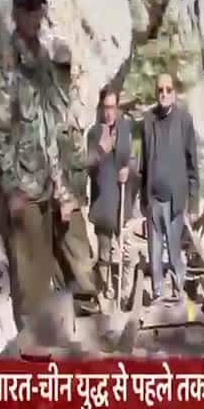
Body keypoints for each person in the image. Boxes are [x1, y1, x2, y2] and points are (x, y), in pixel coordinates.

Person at [0, 0, 80, 331]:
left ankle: (43, 343)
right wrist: (10, 188)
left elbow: (50, 127)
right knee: (27, 282)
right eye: (27, 9)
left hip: (44, 186)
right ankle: (29, 347)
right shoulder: (9, 61)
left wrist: (60, 186)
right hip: (23, 189)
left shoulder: (41, 59)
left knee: (42, 273)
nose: (34, 15)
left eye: (38, 8)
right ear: (16, 13)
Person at [139, 73, 199, 302]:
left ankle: (177, 290)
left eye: (168, 89)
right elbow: (144, 162)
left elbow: (192, 163)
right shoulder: (148, 120)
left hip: (175, 199)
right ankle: (157, 292)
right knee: (154, 251)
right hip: (154, 198)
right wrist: (142, 199)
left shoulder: (184, 120)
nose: (163, 94)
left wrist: (193, 202)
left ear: (174, 92)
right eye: (160, 90)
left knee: (174, 250)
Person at [86, 86, 135, 309]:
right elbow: (88, 168)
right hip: (103, 202)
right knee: (104, 253)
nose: (109, 113)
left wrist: (128, 170)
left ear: (118, 108)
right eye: (105, 108)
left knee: (126, 252)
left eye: (112, 108)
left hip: (122, 201)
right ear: (100, 108)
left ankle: (125, 294)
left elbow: (132, 160)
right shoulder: (93, 133)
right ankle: (106, 291)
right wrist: (100, 150)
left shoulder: (125, 130)